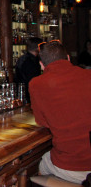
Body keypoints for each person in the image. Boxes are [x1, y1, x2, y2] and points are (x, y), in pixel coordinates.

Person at [29, 40, 91, 184]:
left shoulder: (36, 84)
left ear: (41, 65)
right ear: (68, 58)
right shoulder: (88, 75)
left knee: (41, 164)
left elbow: (42, 122)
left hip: (71, 166)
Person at [15, 37, 42, 103]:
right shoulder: (32, 61)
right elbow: (33, 81)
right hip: (29, 96)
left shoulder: (22, 58)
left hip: (21, 93)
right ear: (38, 48)